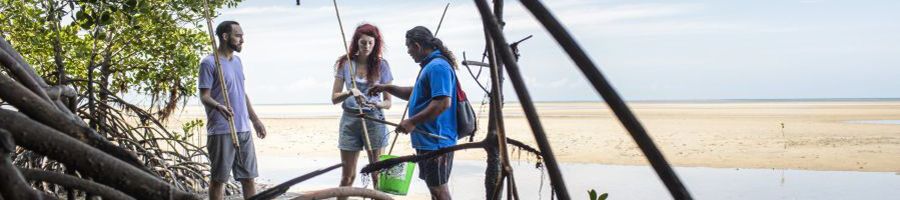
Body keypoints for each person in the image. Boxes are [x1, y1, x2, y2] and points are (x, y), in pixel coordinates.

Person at [369, 26, 458, 200]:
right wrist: (387, 87)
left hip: (436, 140)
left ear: (416, 46)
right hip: (427, 140)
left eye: (408, 46)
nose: (408, 51)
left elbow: (442, 102)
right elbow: (416, 93)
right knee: (434, 189)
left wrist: (412, 122)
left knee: (439, 190)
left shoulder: (437, 66)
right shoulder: (429, 66)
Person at [198, 20, 267, 200]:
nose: (242, 40)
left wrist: (255, 120)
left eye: (242, 36)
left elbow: (241, 92)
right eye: (238, 36)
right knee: (219, 180)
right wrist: (218, 106)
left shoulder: (237, 62)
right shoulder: (209, 63)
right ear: (225, 36)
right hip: (222, 129)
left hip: (243, 128)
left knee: (249, 178)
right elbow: (204, 96)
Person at [330, 23, 393, 196]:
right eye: (363, 42)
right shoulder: (346, 63)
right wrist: (350, 92)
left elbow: (388, 102)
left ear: (376, 44)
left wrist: (377, 104)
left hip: (374, 120)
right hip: (350, 121)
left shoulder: (382, 65)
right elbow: (334, 98)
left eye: (370, 43)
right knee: (347, 177)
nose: (366, 46)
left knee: (376, 175)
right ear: (356, 42)